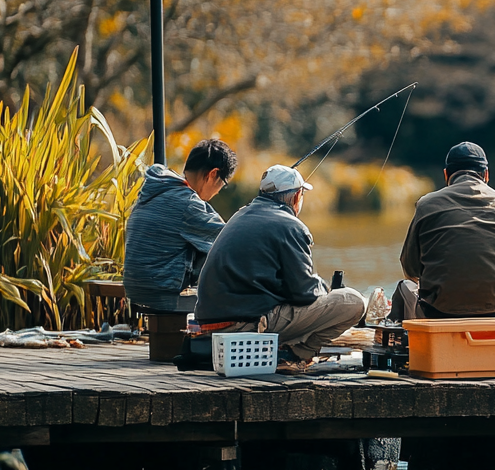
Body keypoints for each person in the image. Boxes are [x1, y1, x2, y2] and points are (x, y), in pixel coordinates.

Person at [195, 164, 365, 372]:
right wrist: (328, 289)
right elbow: (304, 292)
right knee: (352, 301)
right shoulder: (290, 225)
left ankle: (286, 352)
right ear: (296, 197)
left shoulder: (239, 216)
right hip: (246, 326)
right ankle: (295, 355)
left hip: (210, 325)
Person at [396, 141, 495, 320]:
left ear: (446, 174)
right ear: (486, 174)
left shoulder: (426, 205)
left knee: (405, 287)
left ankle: (413, 343)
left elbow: (410, 269)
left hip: (438, 316)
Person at [123, 139, 237, 312]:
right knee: (223, 251)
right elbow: (230, 239)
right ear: (213, 174)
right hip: (162, 295)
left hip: (136, 290)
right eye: (223, 183)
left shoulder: (156, 190)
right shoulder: (188, 204)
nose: (219, 190)